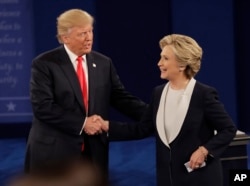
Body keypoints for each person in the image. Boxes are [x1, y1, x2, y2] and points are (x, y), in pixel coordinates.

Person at [24, 8, 147, 180]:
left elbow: (120, 97)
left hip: (93, 151)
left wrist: (154, 113)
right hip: (55, 151)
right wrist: (83, 123)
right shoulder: (45, 64)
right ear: (65, 38)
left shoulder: (103, 63)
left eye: (90, 31)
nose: (89, 38)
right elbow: (43, 107)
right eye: (82, 34)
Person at [100, 34, 237, 186]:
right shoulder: (158, 93)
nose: (159, 63)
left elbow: (228, 129)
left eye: (165, 58)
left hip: (199, 178)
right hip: (168, 179)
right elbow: (142, 129)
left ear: (182, 64)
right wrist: (107, 126)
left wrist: (204, 151)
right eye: (161, 57)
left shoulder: (204, 94)